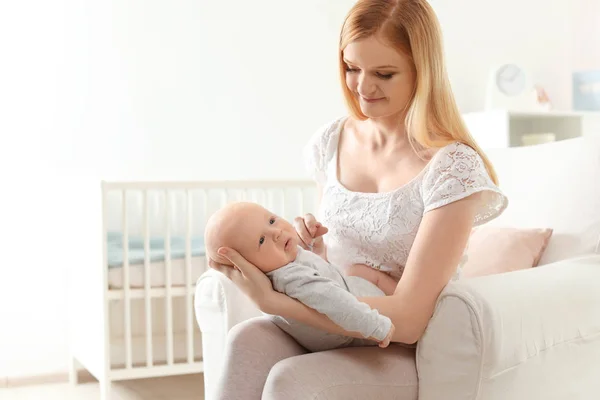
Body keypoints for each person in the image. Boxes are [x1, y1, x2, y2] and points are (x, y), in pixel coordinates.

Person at [208, 0, 508, 398]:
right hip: (336, 326)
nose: (363, 87)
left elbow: (410, 319)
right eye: (351, 68)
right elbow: (334, 270)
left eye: (384, 73)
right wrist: (309, 250)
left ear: (423, 72)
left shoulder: (452, 169)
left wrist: (274, 301)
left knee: (289, 381)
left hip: (399, 346)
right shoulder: (331, 142)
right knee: (244, 340)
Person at [204, 201, 396, 352]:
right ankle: (417, 308)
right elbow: (337, 302)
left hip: (340, 319)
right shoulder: (291, 278)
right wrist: (376, 325)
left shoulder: (284, 265)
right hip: (352, 333)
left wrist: (316, 250)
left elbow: (319, 281)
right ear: (246, 267)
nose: (276, 232)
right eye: (261, 240)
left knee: (357, 271)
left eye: (271, 221)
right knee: (366, 273)